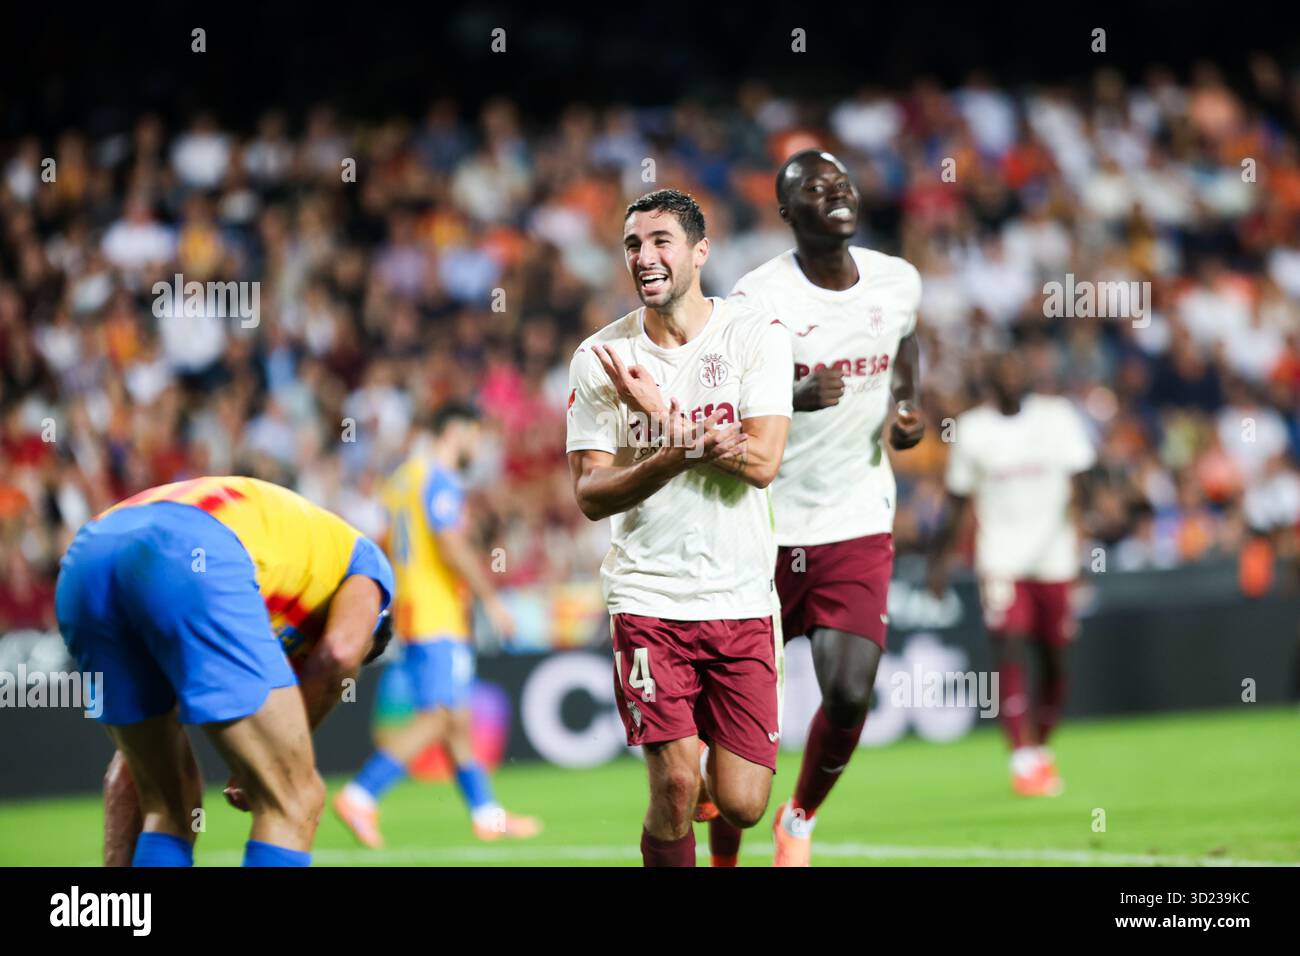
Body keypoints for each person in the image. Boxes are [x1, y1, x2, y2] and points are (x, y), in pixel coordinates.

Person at [566, 188, 793, 866]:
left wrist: (664, 417)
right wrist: (678, 452)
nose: (644, 256)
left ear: (700, 252)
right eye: (633, 244)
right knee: (671, 783)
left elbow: (761, 462)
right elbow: (590, 493)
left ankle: (719, 793)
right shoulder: (599, 359)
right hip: (648, 597)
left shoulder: (755, 334)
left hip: (742, 596)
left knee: (744, 802)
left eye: (661, 240)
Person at [721, 149, 925, 866]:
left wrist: (905, 407)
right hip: (761, 526)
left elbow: (904, 347)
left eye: (840, 181)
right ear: (785, 213)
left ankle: (800, 818)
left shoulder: (898, 282)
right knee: (738, 732)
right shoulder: (757, 299)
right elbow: (725, 400)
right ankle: (721, 858)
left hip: (855, 517)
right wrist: (790, 397)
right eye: (813, 187)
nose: (834, 191)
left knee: (847, 692)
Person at [56, 475, 394, 867]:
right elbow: (339, 654)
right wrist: (280, 760)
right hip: (192, 550)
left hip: (87, 558)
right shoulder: (367, 566)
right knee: (294, 798)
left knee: (166, 803)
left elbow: (124, 776)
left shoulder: (280, 577)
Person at [334, 403, 540, 845]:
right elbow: (449, 545)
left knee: (457, 718)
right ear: (458, 431)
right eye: (477, 436)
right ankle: (361, 793)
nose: (479, 446)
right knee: (439, 716)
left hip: (413, 607)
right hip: (437, 612)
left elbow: (388, 542)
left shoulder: (402, 478)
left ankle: (487, 815)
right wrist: (491, 600)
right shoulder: (439, 479)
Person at [927, 351, 1095, 796]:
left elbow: (1084, 483)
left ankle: (1040, 747)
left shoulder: (1057, 417)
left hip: (1054, 555)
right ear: (989, 381)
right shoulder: (972, 430)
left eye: (1019, 369)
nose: (1012, 378)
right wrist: (939, 564)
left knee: (1055, 655)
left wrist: (1087, 545)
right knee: (1009, 648)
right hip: (999, 556)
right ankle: (1022, 756)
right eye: (1003, 372)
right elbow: (958, 502)